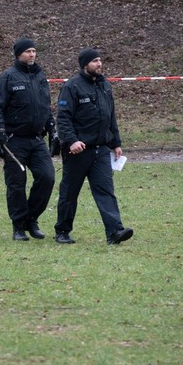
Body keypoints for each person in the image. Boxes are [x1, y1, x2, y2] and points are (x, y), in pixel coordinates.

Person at [54, 48, 134, 245]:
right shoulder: (72, 87)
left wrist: (115, 142)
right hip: (78, 151)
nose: (99, 64)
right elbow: (63, 118)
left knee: (106, 191)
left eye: (100, 60)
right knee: (70, 192)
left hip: (101, 150)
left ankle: (115, 232)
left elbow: (110, 116)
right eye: (95, 61)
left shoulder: (105, 85)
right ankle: (62, 231)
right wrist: (72, 141)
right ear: (85, 65)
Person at [0, 38, 56, 241]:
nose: (32, 55)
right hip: (14, 140)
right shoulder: (8, 77)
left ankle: (31, 219)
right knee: (16, 184)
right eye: (28, 51)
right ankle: (18, 226)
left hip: (36, 140)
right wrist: (0, 129)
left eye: (34, 51)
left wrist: (52, 129)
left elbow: (46, 106)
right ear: (18, 54)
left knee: (47, 177)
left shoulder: (40, 77)